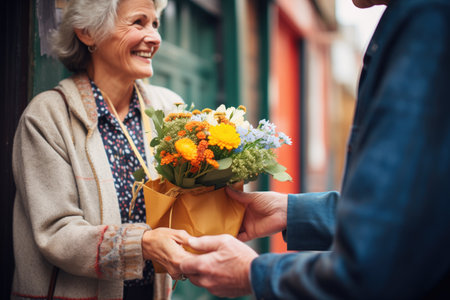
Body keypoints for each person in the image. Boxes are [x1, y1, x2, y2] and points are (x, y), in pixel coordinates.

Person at [179, 0, 450, 298]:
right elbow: (414, 215)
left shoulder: (428, 22)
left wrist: (254, 273)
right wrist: (292, 212)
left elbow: (371, 268)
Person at [11, 0, 192, 299]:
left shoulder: (170, 108)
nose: (155, 37)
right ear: (87, 32)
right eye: (138, 22)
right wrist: (143, 243)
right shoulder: (48, 116)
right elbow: (57, 233)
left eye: (155, 24)